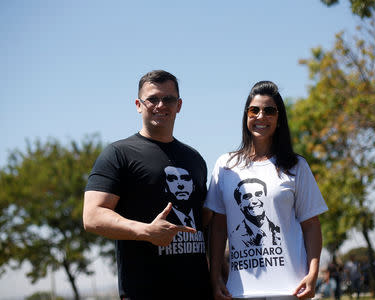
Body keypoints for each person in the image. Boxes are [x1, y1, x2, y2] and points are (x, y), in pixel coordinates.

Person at [83, 70, 212, 300]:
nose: (160, 105)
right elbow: (92, 216)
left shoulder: (195, 159)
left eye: (169, 99)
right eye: (152, 98)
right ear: (138, 104)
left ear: (179, 105)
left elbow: (206, 223)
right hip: (144, 291)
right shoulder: (118, 154)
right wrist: (146, 232)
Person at [205, 81, 328, 300]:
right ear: (246, 116)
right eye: (254, 110)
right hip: (240, 292)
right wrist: (215, 278)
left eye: (269, 110)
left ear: (279, 119)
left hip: (291, 291)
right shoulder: (225, 166)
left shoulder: (296, 166)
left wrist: (313, 272)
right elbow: (217, 228)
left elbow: (311, 225)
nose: (261, 116)